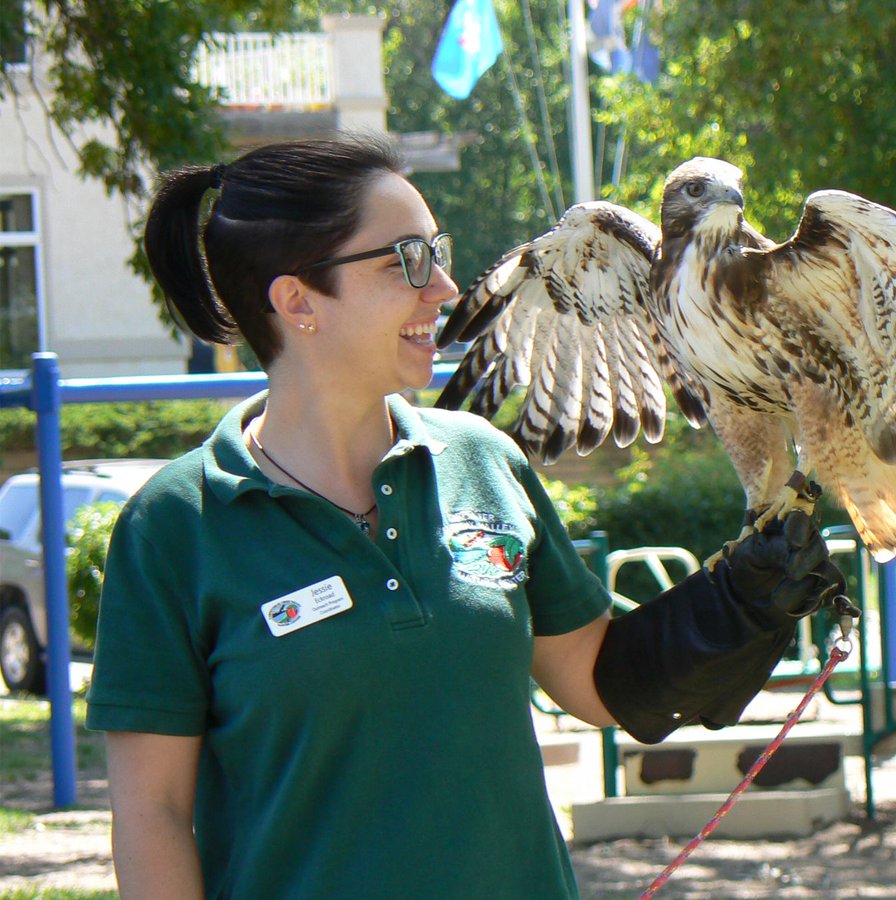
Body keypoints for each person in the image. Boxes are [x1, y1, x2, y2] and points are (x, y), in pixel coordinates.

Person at [86, 134, 848, 899]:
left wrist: (740, 603)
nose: (444, 287)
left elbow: (595, 678)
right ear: (298, 302)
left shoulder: (482, 460)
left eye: (438, 252)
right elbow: (152, 813)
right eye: (407, 260)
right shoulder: (177, 526)